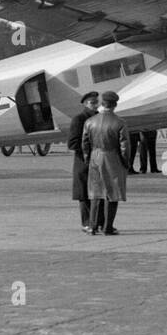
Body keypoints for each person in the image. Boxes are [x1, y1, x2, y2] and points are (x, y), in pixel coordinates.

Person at [82, 90, 129, 236]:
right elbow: (124, 146)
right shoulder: (120, 122)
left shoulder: (90, 121)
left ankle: (93, 226)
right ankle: (108, 227)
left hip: (95, 157)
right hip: (112, 157)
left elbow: (85, 143)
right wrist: (125, 163)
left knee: (96, 193)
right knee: (112, 193)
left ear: (102, 103)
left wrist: (87, 159)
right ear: (114, 105)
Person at [67, 91, 99, 232]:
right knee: (84, 196)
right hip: (84, 162)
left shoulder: (100, 118)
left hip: (98, 162)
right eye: (92, 103)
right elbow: (72, 143)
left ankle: (99, 223)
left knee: (99, 194)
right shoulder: (79, 119)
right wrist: (90, 148)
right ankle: (86, 223)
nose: (95, 105)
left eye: (96, 102)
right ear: (85, 104)